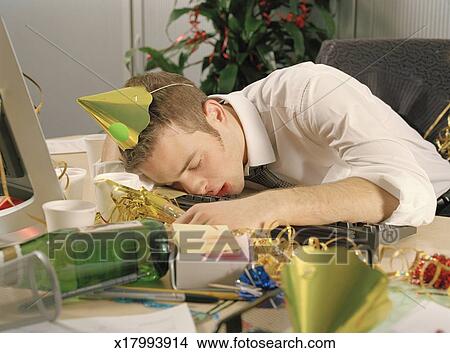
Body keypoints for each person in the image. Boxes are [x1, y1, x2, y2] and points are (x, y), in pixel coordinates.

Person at [101, 62, 450, 229]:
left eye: (193, 164)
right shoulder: (197, 140)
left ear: (214, 114)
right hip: (345, 233)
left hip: (436, 215)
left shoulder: (309, 93)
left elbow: (401, 193)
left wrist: (263, 207)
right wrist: (121, 129)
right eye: (175, 181)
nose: (195, 188)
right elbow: (118, 168)